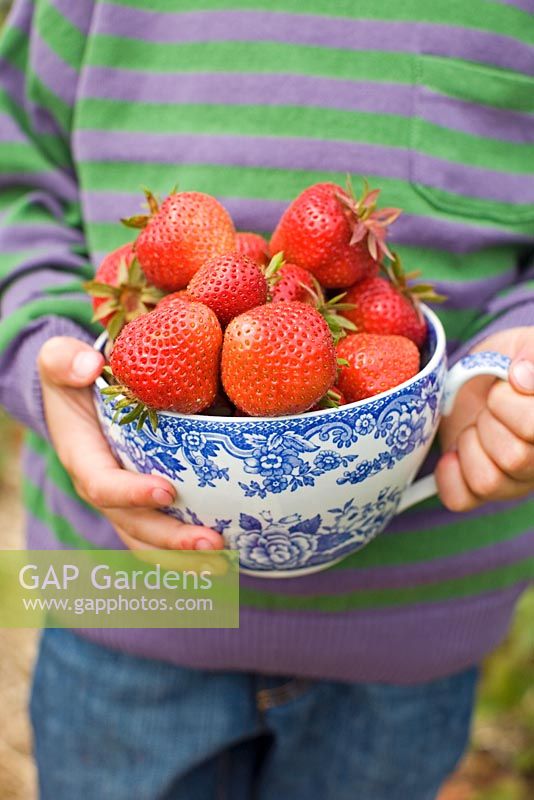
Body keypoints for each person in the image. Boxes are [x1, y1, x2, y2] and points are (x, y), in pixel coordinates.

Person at [0, 1, 533, 798]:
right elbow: (14, 171)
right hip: (122, 588)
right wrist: (44, 345)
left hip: (412, 616)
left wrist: (512, 357)